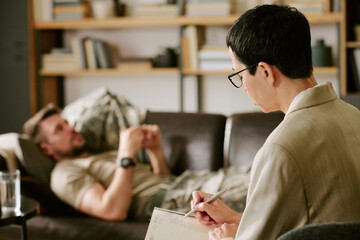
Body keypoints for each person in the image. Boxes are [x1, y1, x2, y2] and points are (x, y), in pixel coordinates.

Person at [190, 4, 360, 240]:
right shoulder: (354, 116)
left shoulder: (280, 149)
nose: (243, 87)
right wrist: (238, 219)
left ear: (265, 72)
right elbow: (319, 223)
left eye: (239, 76)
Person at [22, 103, 250, 221]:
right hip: (175, 201)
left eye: (66, 122)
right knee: (260, 185)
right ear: (46, 148)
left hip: (186, 183)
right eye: (59, 129)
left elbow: (161, 179)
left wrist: (155, 151)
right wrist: (125, 155)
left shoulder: (95, 155)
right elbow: (112, 211)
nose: (71, 128)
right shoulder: (63, 174)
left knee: (262, 169)